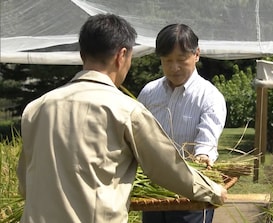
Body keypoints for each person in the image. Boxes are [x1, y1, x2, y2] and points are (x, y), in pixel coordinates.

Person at [17, 14, 227, 223]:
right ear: (122, 55)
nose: (174, 67)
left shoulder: (35, 109)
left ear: (82, 55)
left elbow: (25, 184)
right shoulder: (126, 110)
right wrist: (213, 190)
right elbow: (164, 168)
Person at [138, 24, 227, 223]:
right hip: (152, 192)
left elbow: (207, 141)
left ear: (196, 54)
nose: (174, 67)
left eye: (181, 60)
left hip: (192, 194)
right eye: (167, 60)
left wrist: (202, 156)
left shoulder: (209, 97)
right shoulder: (149, 92)